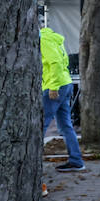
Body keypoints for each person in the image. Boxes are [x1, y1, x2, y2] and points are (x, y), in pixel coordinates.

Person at [40, 22, 85, 171]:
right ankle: (76, 160)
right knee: (65, 125)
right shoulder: (54, 39)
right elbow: (62, 61)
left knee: (41, 125)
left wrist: (53, 87)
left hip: (55, 86)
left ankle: (32, 164)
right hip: (65, 83)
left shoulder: (44, 40)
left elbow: (56, 62)